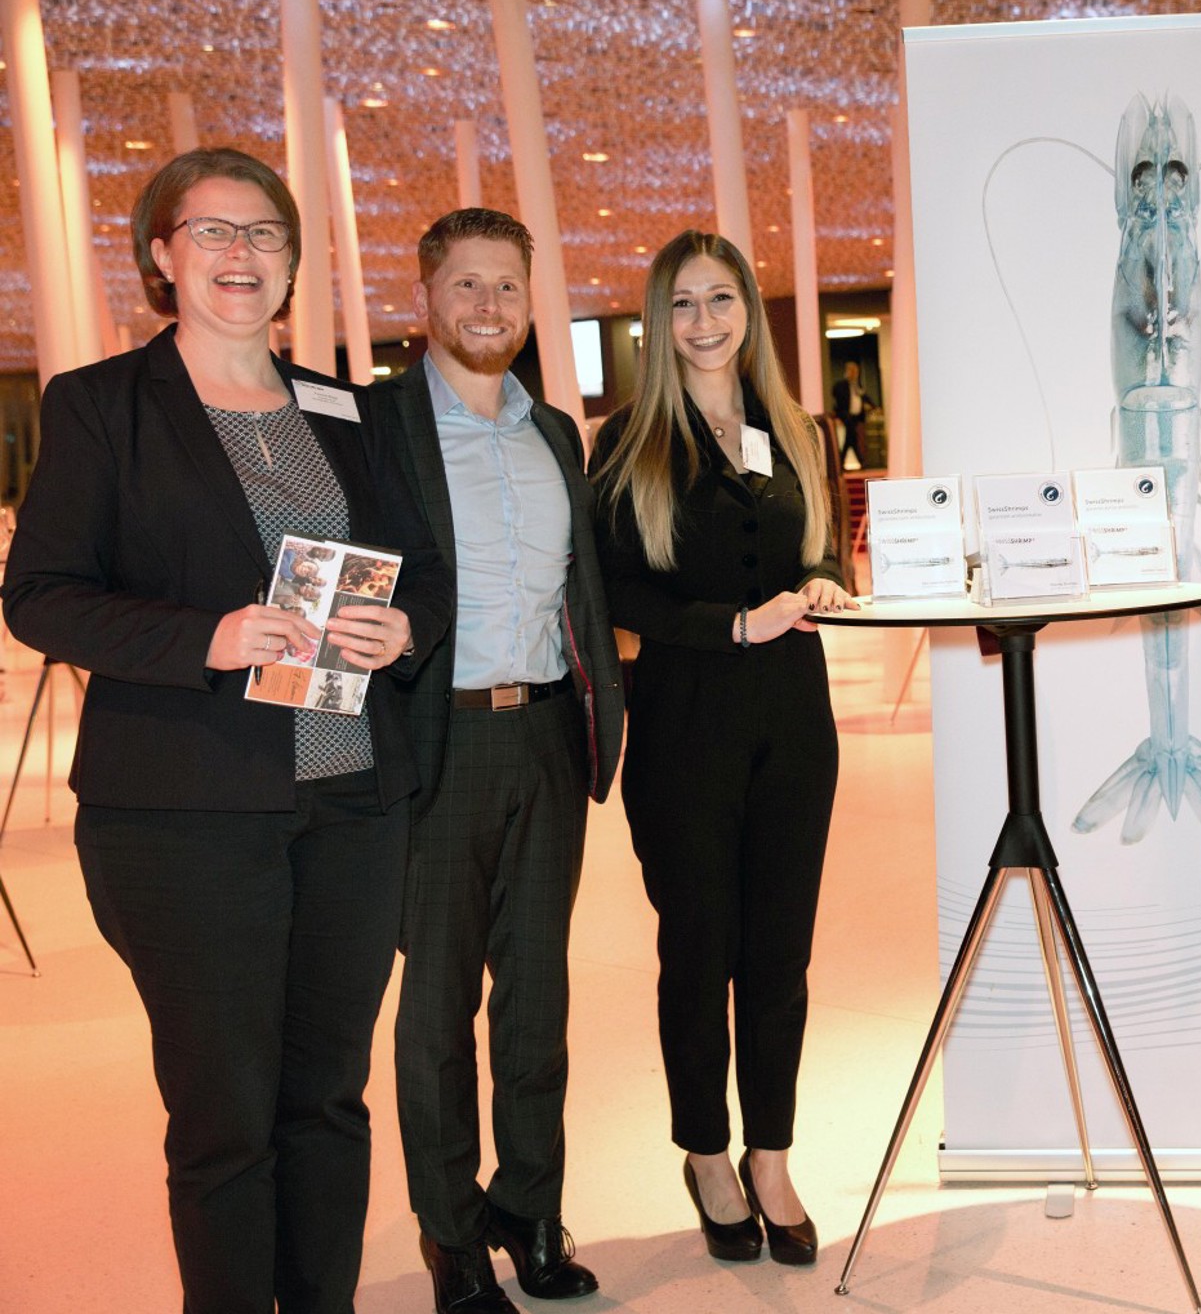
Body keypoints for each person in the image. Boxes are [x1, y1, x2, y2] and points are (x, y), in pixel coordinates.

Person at [1, 147, 450, 1314]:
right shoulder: (102, 405)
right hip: (187, 816)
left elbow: (423, 568)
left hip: (351, 802)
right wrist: (204, 636)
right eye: (212, 231)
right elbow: (40, 595)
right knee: (224, 1117)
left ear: (293, 260)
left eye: (264, 234)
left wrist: (404, 627)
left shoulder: (344, 407)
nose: (240, 254)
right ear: (162, 253)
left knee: (328, 1099)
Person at [590, 230, 855, 1266]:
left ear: (749, 309)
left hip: (794, 721)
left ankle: (770, 1156)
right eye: (682, 304)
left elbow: (822, 545)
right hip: (683, 722)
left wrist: (825, 577)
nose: (703, 322)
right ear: (659, 322)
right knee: (699, 950)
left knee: (779, 953)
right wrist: (729, 624)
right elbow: (613, 587)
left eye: (721, 299)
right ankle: (706, 1153)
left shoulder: (800, 430)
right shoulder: (628, 439)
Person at [380, 209, 625, 1314]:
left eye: (508, 287)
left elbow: (584, 591)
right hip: (437, 737)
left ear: (531, 302)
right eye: (467, 284)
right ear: (426, 297)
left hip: (546, 737)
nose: (489, 306)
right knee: (436, 1007)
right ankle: (450, 1236)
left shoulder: (554, 432)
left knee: (537, 1000)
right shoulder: (381, 425)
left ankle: (529, 1212)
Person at [830, 359, 874, 469]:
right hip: (846, 416)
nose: (854, 374)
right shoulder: (841, 385)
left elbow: (865, 398)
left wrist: (873, 406)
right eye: (852, 371)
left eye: (856, 372)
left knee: (850, 439)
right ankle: (860, 461)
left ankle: (840, 462)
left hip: (856, 417)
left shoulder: (858, 386)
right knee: (852, 436)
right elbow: (837, 399)